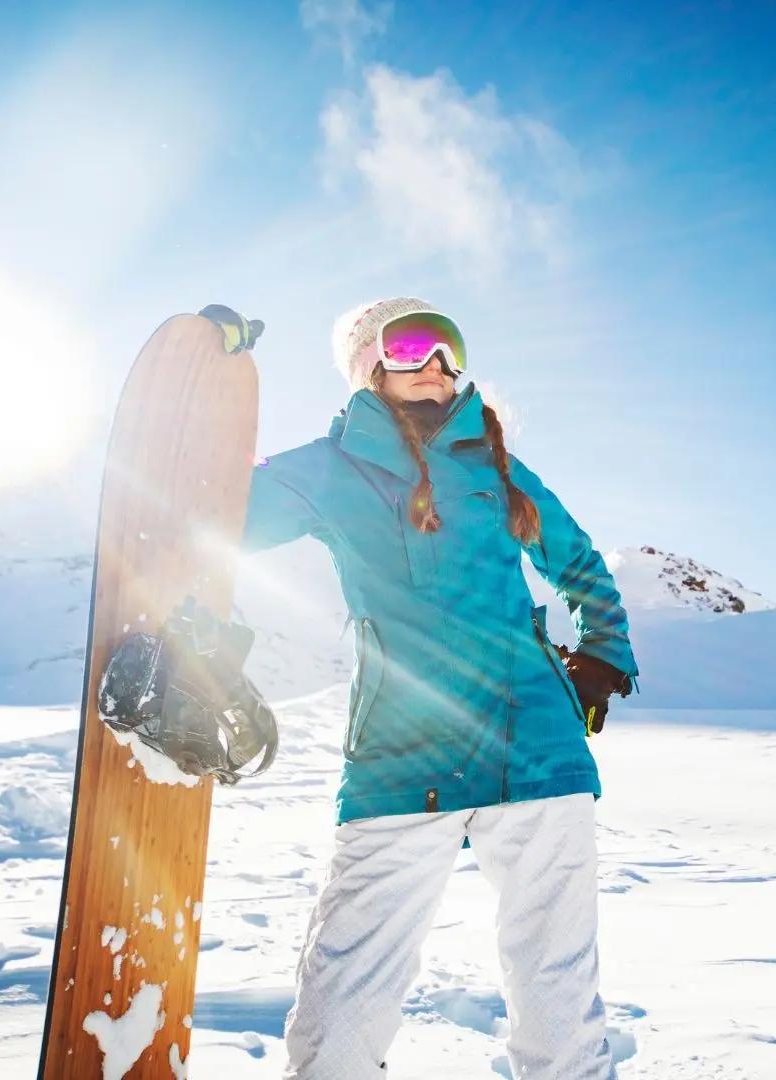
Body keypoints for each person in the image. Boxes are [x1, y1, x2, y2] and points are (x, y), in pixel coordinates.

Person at [238, 297, 639, 1079]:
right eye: (413, 344)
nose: (436, 365)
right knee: (348, 981)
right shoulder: (329, 469)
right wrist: (208, 404)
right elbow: (219, 516)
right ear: (368, 364)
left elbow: (580, 563)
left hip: (535, 747)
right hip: (402, 750)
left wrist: (601, 655)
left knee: (557, 982)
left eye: (448, 348)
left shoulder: (496, 471)